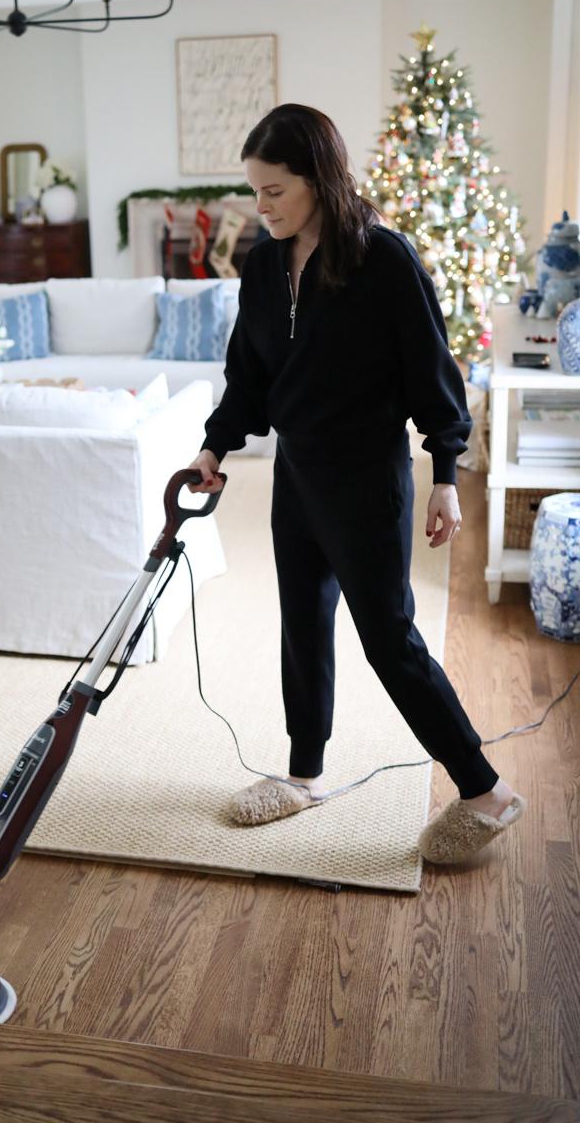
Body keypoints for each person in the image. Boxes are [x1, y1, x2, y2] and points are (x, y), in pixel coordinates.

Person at [188, 104, 525, 864]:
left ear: (318, 179)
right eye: (256, 190)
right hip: (295, 476)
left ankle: (487, 794)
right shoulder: (266, 262)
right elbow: (250, 373)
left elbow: (432, 374)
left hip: (366, 481)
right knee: (302, 628)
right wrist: (214, 448)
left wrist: (445, 474)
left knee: (390, 642)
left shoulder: (383, 260)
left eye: (274, 190)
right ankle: (304, 775)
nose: (261, 206)